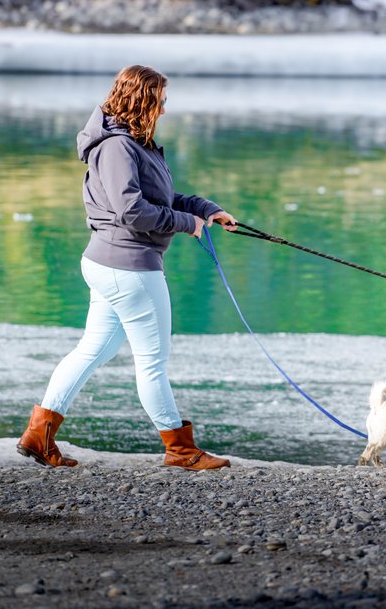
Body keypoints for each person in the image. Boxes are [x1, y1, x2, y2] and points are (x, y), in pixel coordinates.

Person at [17, 64, 238, 470]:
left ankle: (38, 435)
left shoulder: (136, 143)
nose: (165, 110)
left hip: (112, 265)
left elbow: (162, 197)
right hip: (129, 267)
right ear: (142, 100)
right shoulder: (118, 148)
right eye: (160, 101)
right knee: (152, 363)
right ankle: (180, 450)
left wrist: (207, 210)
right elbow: (133, 211)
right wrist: (189, 224)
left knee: (91, 350)